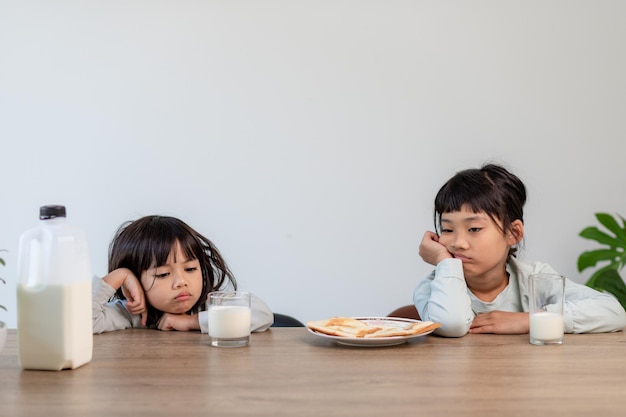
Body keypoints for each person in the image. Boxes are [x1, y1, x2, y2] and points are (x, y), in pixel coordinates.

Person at [413, 163, 626, 337]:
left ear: (513, 233)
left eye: (474, 228)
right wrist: (444, 261)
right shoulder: (433, 288)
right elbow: (452, 325)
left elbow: (613, 312)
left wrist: (530, 320)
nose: (458, 242)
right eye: (447, 229)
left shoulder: (534, 279)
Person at [93, 215, 273, 334]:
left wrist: (191, 321)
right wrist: (120, 275)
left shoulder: (211, 304)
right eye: (163, 274)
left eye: (190, 269)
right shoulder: (129, 313)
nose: (181, 282)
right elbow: (79, 323)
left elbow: (262, 314)